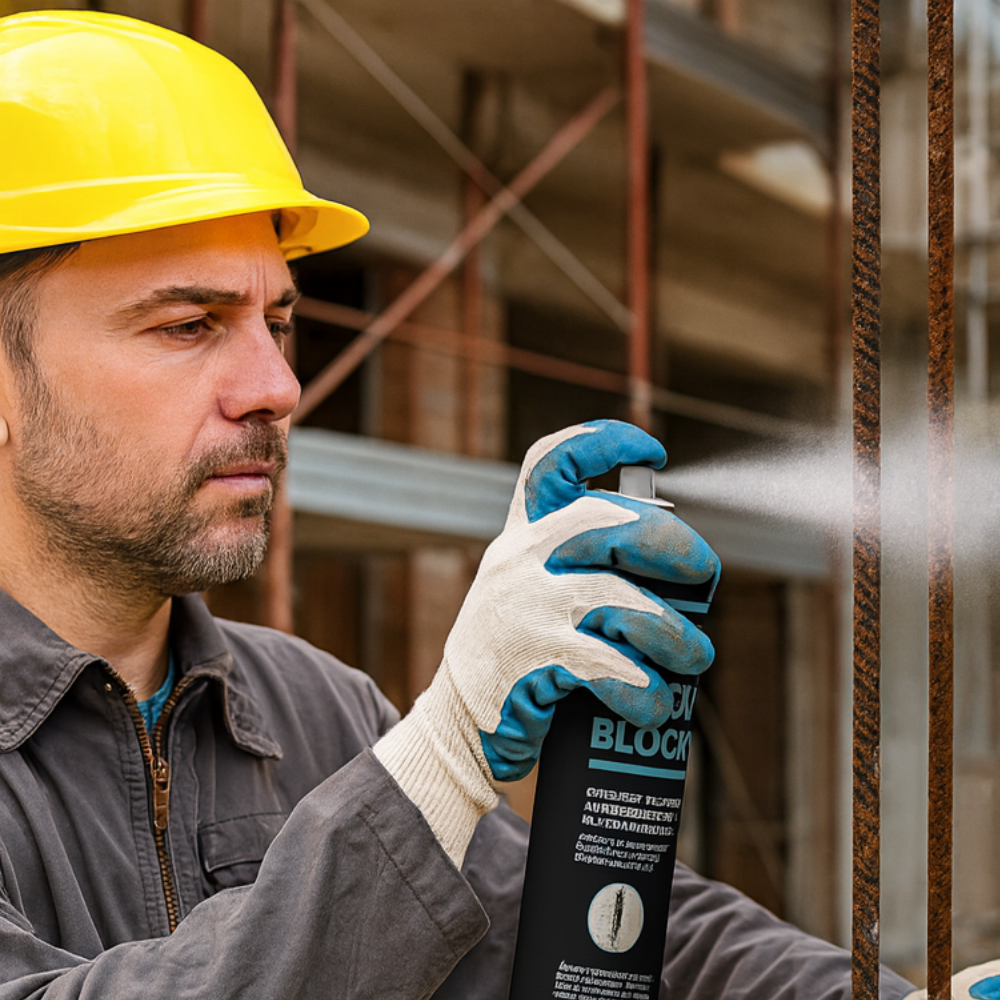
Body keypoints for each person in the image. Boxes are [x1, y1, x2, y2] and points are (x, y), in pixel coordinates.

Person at [0, 8, 974, 999]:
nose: (277, 385)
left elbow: (595, 930)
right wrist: (445, 748)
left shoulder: (309, 708)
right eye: (188, 323)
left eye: (278, 321)